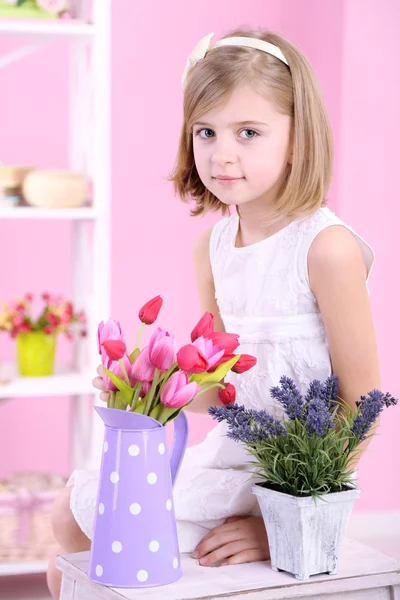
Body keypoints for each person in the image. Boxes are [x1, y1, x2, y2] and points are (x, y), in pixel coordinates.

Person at [47, 27, 380, 597]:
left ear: (299, 140)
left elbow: (363, 405)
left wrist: (282, 525)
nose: (221, 153)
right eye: (206, 131)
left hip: (289, 481)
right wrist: (150, 389)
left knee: (81, 557)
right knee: (65, 518)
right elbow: (225, 386)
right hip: (229, 457)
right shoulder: (215, 247)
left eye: (248, 132)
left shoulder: (327, 249)